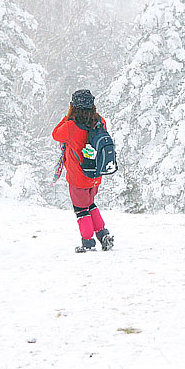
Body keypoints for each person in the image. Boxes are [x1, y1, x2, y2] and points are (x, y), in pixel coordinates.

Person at [52, 89, 115, 252]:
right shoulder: (100, 121)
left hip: (78, 176)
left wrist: (67, 117)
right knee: (90, 204)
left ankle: (88, 242)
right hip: (95, 175)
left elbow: (55, 134)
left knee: (81, 210)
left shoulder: (71, 126)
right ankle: (103, 234)